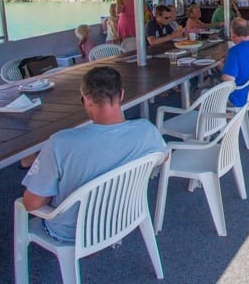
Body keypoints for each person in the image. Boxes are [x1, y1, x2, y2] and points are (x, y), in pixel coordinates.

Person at [21, 66, 167, 242]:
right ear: (121, 95)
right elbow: (162, 157)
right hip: (125, 218)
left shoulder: (61, 143)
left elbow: (32, 204)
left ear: (87, 99)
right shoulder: (147, 130)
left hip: (72, 232)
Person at [221, 18, 249, 107]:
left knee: (202, 91)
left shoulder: (234, 51)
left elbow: (228, 81)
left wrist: (221, 65)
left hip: (238, 98)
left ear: (233, 34)